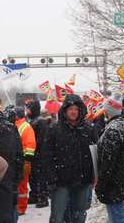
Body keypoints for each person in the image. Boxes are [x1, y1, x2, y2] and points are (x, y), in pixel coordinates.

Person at [43, 94, 97, 223]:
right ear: (65, 111)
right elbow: (46, 155)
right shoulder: (54, 129)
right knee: (58, 216)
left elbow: (95, 154)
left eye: (76, 109)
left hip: (83, 180)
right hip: (60, 181)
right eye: (70, 109)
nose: (73, 112)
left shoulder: (89, 129)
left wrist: (94, 175)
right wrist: (52, 177)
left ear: (80, 111)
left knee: (79, 214)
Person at [95, 93, 124, 223]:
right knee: (116, 215)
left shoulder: (113, 130)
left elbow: (108, 162)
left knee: (116, 217)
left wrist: (101, 184)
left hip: (114, 182)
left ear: (108, 110)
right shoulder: (120, 125)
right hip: (119, 179)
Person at [25, 99, 50, 208]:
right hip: (32, 154)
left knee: (40, 177)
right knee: (32, 176)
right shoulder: (30, 121)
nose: (26, 111)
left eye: (28, 108)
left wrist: (36, 150)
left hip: (39, 154)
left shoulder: (40, 121)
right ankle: (34, 194)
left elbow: (41, 139)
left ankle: (43, 197)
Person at [14, 106, 37, 215]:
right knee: (18, 186)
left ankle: (21, 207)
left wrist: (27, 161)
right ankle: (18, 206)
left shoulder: (25, 126)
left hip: (23, 161)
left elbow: (30, 145)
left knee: (22, 186)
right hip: (17, 161)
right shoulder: (17, 125)